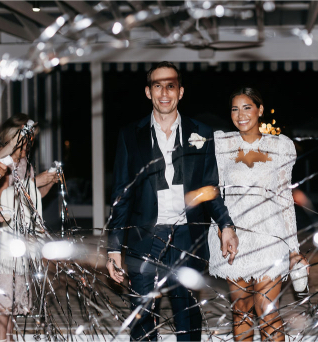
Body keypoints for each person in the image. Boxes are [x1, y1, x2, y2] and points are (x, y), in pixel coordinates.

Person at [106, 61, 238, 341]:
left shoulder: (201, 132)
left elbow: (209, 188)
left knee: (187, 321)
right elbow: (122, 194)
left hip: (186, 238)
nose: (164, 92)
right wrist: (113, 248)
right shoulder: (130, 135)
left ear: (180, 92)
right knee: (141, 323)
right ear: (147, 91)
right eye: (157, 85)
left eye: (170, 86)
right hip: (143, 237)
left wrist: (226, 224)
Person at [209, 87, 309, 341]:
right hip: (235, 236)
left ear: (260, 110)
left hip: (270, 236)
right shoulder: (222, 145)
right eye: (234, 109)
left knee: (266, 311)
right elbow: (214, 192)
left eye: (247, 107)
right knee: (241, 311)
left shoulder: (280, 147)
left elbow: (285, 197)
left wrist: (294, 249)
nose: (240, 115)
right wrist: (221, 229)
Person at [0, 114, 47, 342]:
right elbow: (0, 197)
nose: (30, 143)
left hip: (18, 233)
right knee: (3, 293)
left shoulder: (25, 163)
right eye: (26, 138)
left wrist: (47, 182)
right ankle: (1, 340)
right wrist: (37, 181)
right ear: (13, 137)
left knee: (16, 290)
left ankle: (9, 338)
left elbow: (32, 198)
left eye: (31, 139)